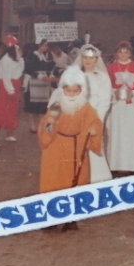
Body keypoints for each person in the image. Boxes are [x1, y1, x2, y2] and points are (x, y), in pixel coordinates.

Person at [37, 66, 104, 232]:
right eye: (69, 91)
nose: (72, 94)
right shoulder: (56, 106)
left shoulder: (85, 107)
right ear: (63, 90)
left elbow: (95, 122)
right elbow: (45, 126)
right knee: (53, 180)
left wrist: (94, 128)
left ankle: (71, 217)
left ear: (81, 90)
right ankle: (52, 217)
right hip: (56, 148)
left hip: (76, 146)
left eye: (75, 91)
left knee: (76, 180)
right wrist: (50, 124)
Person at [51, 43, 113, 183]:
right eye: (85, 57)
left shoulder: (102, 77)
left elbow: (104, 101)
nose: (88, 61)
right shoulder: (72, 74)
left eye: (91, 58)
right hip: (74, 116)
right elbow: (62, 95)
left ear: (96, 59)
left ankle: (98, 179)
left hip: (93, 116)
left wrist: (96, 120)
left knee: (93, 148)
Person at [105, 41, 134, 175]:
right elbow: (104, 86)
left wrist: (133, 94)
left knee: (131, 135)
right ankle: (114, 166)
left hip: (131, 107)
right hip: (116, 107)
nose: (123, 54)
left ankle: (133, 167)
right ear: (116, 53)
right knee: (115, 135)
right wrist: (114, 92)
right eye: (120, 52)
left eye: (126, 52)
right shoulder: (110, 67)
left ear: (130, 53)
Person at [0, 35, 24, 142]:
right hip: (6, 86)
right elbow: (6, 77)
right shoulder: (5, 60)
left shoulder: (16, 59)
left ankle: (9, 133)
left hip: (14, 84)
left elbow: (20, 70)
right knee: (1, 109)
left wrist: (20, 58)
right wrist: (10, 90)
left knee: (13, 110)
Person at [24, 41, 56, 132]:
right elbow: (29, 70)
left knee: (42, 105)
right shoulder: (32, 56)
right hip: (33, 82)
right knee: (31, 105)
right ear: (39, 45)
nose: (47, 47)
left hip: (43, 84)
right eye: (45, 45)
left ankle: (41, 125)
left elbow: (47, 68)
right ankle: (32, 125)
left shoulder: (44, 56)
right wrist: (41, 76)